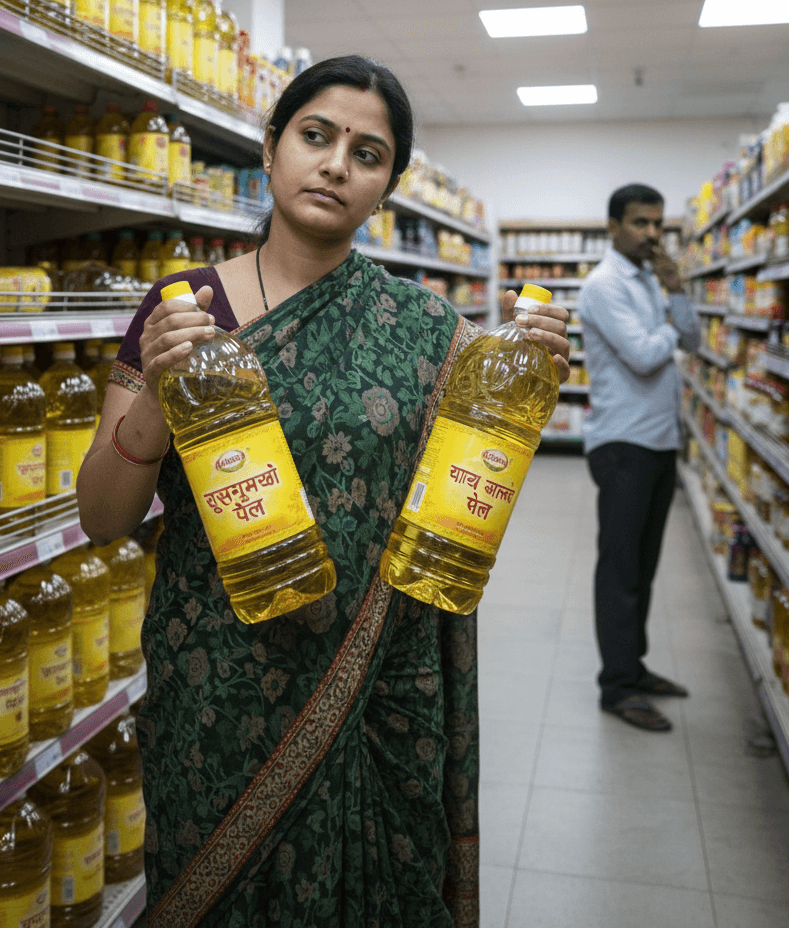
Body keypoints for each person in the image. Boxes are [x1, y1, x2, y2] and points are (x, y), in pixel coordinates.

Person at [77, 55, 571, 926]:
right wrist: (159, 390)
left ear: (387, 185)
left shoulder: (427, 330)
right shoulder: (186, 309)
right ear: (271, 150)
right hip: (220, 686)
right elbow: (103, 519)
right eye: (316, 136)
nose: (337, 163)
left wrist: (517, 397)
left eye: (368, 153)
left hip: (381, 686)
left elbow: (464, 510)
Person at [577, 183, 701, 732]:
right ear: (613, 227)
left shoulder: (652, 278)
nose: (652, 234)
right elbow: (647, 355)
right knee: (622, 568)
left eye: (658, 223)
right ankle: (617, 687)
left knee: (644, 566)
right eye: (640, 223)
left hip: (658, 439)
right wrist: (669, 325)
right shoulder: (604, 285)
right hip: (622, 444)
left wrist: (676, 295)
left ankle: (635, 665)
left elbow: (691, 339)